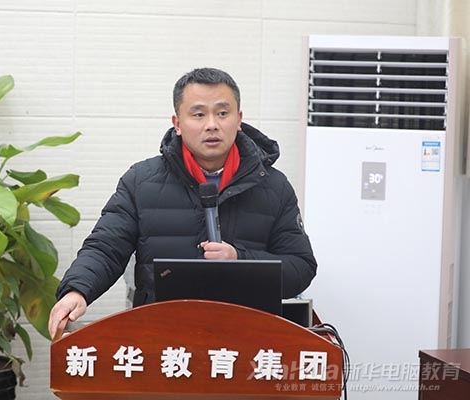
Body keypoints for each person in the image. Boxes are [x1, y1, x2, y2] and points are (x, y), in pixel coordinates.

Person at [48, 67, 317, 338]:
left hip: (246, 339)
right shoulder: (141, 182)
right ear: (177, 124)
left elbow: (301, 267)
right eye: (198, 114)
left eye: (222, 113)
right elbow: (106, 247)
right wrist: (77, 290)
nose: (211, 124)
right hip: (161, 340)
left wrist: (240, 260)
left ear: (239, 119)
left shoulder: (273, 186)